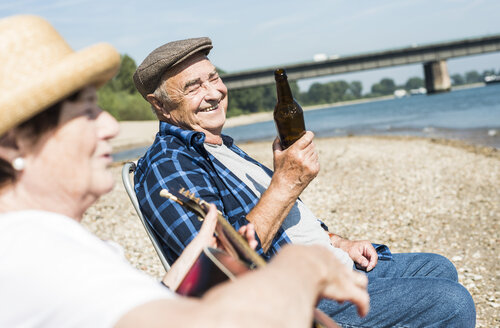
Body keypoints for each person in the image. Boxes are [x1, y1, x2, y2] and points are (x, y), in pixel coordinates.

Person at [0, 15, 371, 328]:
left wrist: (186, 268)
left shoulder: (47, 241)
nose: (112, 125)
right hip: (309, 297)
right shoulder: (31, 252)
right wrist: (302, 267)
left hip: (335, 272)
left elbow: (137, 307)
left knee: (432, 271)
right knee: (433, 295)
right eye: (86, 111)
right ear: (15, 144)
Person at [132, 36, 476, 327]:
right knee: (452, 303)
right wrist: (286, 183)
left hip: (328, 264)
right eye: (194, 87)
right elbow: (215, 269)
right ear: (160, 105)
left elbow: (282, 222)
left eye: (213, 77)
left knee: (438, 267)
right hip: (299, 298)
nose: (214, 93)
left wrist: (339, 242)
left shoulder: (222, 147)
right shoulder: (170, 165)